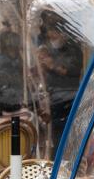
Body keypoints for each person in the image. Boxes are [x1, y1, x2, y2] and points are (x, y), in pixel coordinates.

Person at [35, 14, 83, 146]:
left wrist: (53, 66)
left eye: (54, 37)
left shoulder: (73, 50)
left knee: (68, 135)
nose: (52, 41)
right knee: (55, 136)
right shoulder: (49, 49)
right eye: (50, 38)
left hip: (69, 97)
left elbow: (73, 71)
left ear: (62, 34)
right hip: (53, 98)